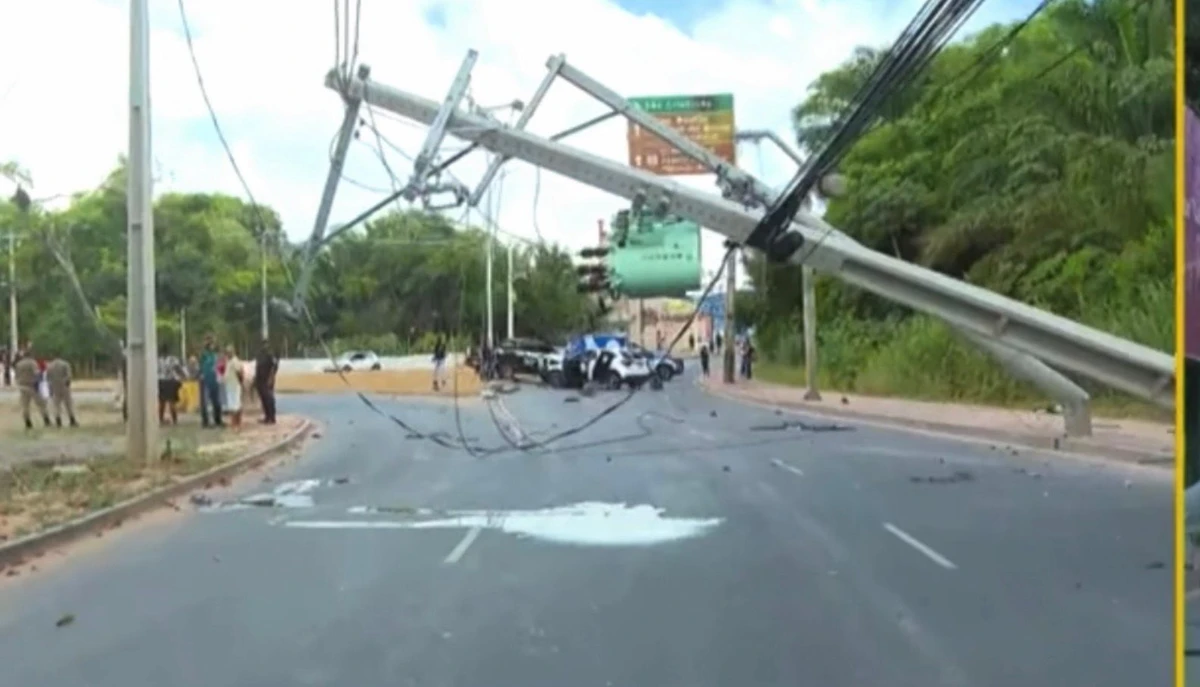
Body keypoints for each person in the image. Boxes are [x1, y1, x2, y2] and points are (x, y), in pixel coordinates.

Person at [13, 349, 50, 429]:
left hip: (22, 386)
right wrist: (40, 381)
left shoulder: (19, 364)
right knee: (41, 404)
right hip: (32, 385)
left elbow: (16, 376)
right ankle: (46, 419)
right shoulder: (32, 363)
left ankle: (27, 421)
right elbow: (36, 373)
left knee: (25, 405)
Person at [198, 335, 224, 428]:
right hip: (205, 380)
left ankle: (218, 420)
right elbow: (200, 367)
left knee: (217, 401)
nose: (212, 344)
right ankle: (205, 422)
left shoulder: (215, 355)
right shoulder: (204, 354)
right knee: (205, 402)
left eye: (213, 342)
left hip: (215, 380)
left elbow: (220, 366)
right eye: (210, 342)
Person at [45, 356, 78, 428]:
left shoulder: (50, 366)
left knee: (56, 404)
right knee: (68, 404)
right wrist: (67, 383)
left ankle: (58, 420)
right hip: (64, 386)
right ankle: (72, 419)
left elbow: (48, 378)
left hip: (54, 386)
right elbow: (69, 375)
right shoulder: (65, 364)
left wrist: (50, 388)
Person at [157, 344, 185, 425]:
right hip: (170, 381)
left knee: (161, 402)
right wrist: (183, 376)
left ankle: (161, 420)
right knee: (172, 402)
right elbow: (178, 369)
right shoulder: (173, 359)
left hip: (161, 381)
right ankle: (174, 420)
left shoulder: (158, 360)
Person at [254, 339, 278, 425]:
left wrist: (271, 378)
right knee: (263, 399)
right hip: (260, 379)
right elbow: (257, 367)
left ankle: (272, 417)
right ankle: (267, 417)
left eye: (266, 345)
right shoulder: (260, 355)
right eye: (262, 345)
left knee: (269, 399)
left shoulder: (270, 355)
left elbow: (274, 367)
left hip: (267, 379)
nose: (264, 346)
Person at [223, 345, 244, 430]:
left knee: (235, 405)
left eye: (229, 352)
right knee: (233, 405)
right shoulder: (229, 361)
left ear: (232, 352)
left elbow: (240, 372)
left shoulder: (235, 361)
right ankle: (234, 423)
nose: (227, 353)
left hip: (234, 386)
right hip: (230, 386)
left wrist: (240, 383)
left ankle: (236, 424)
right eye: (227, 352)